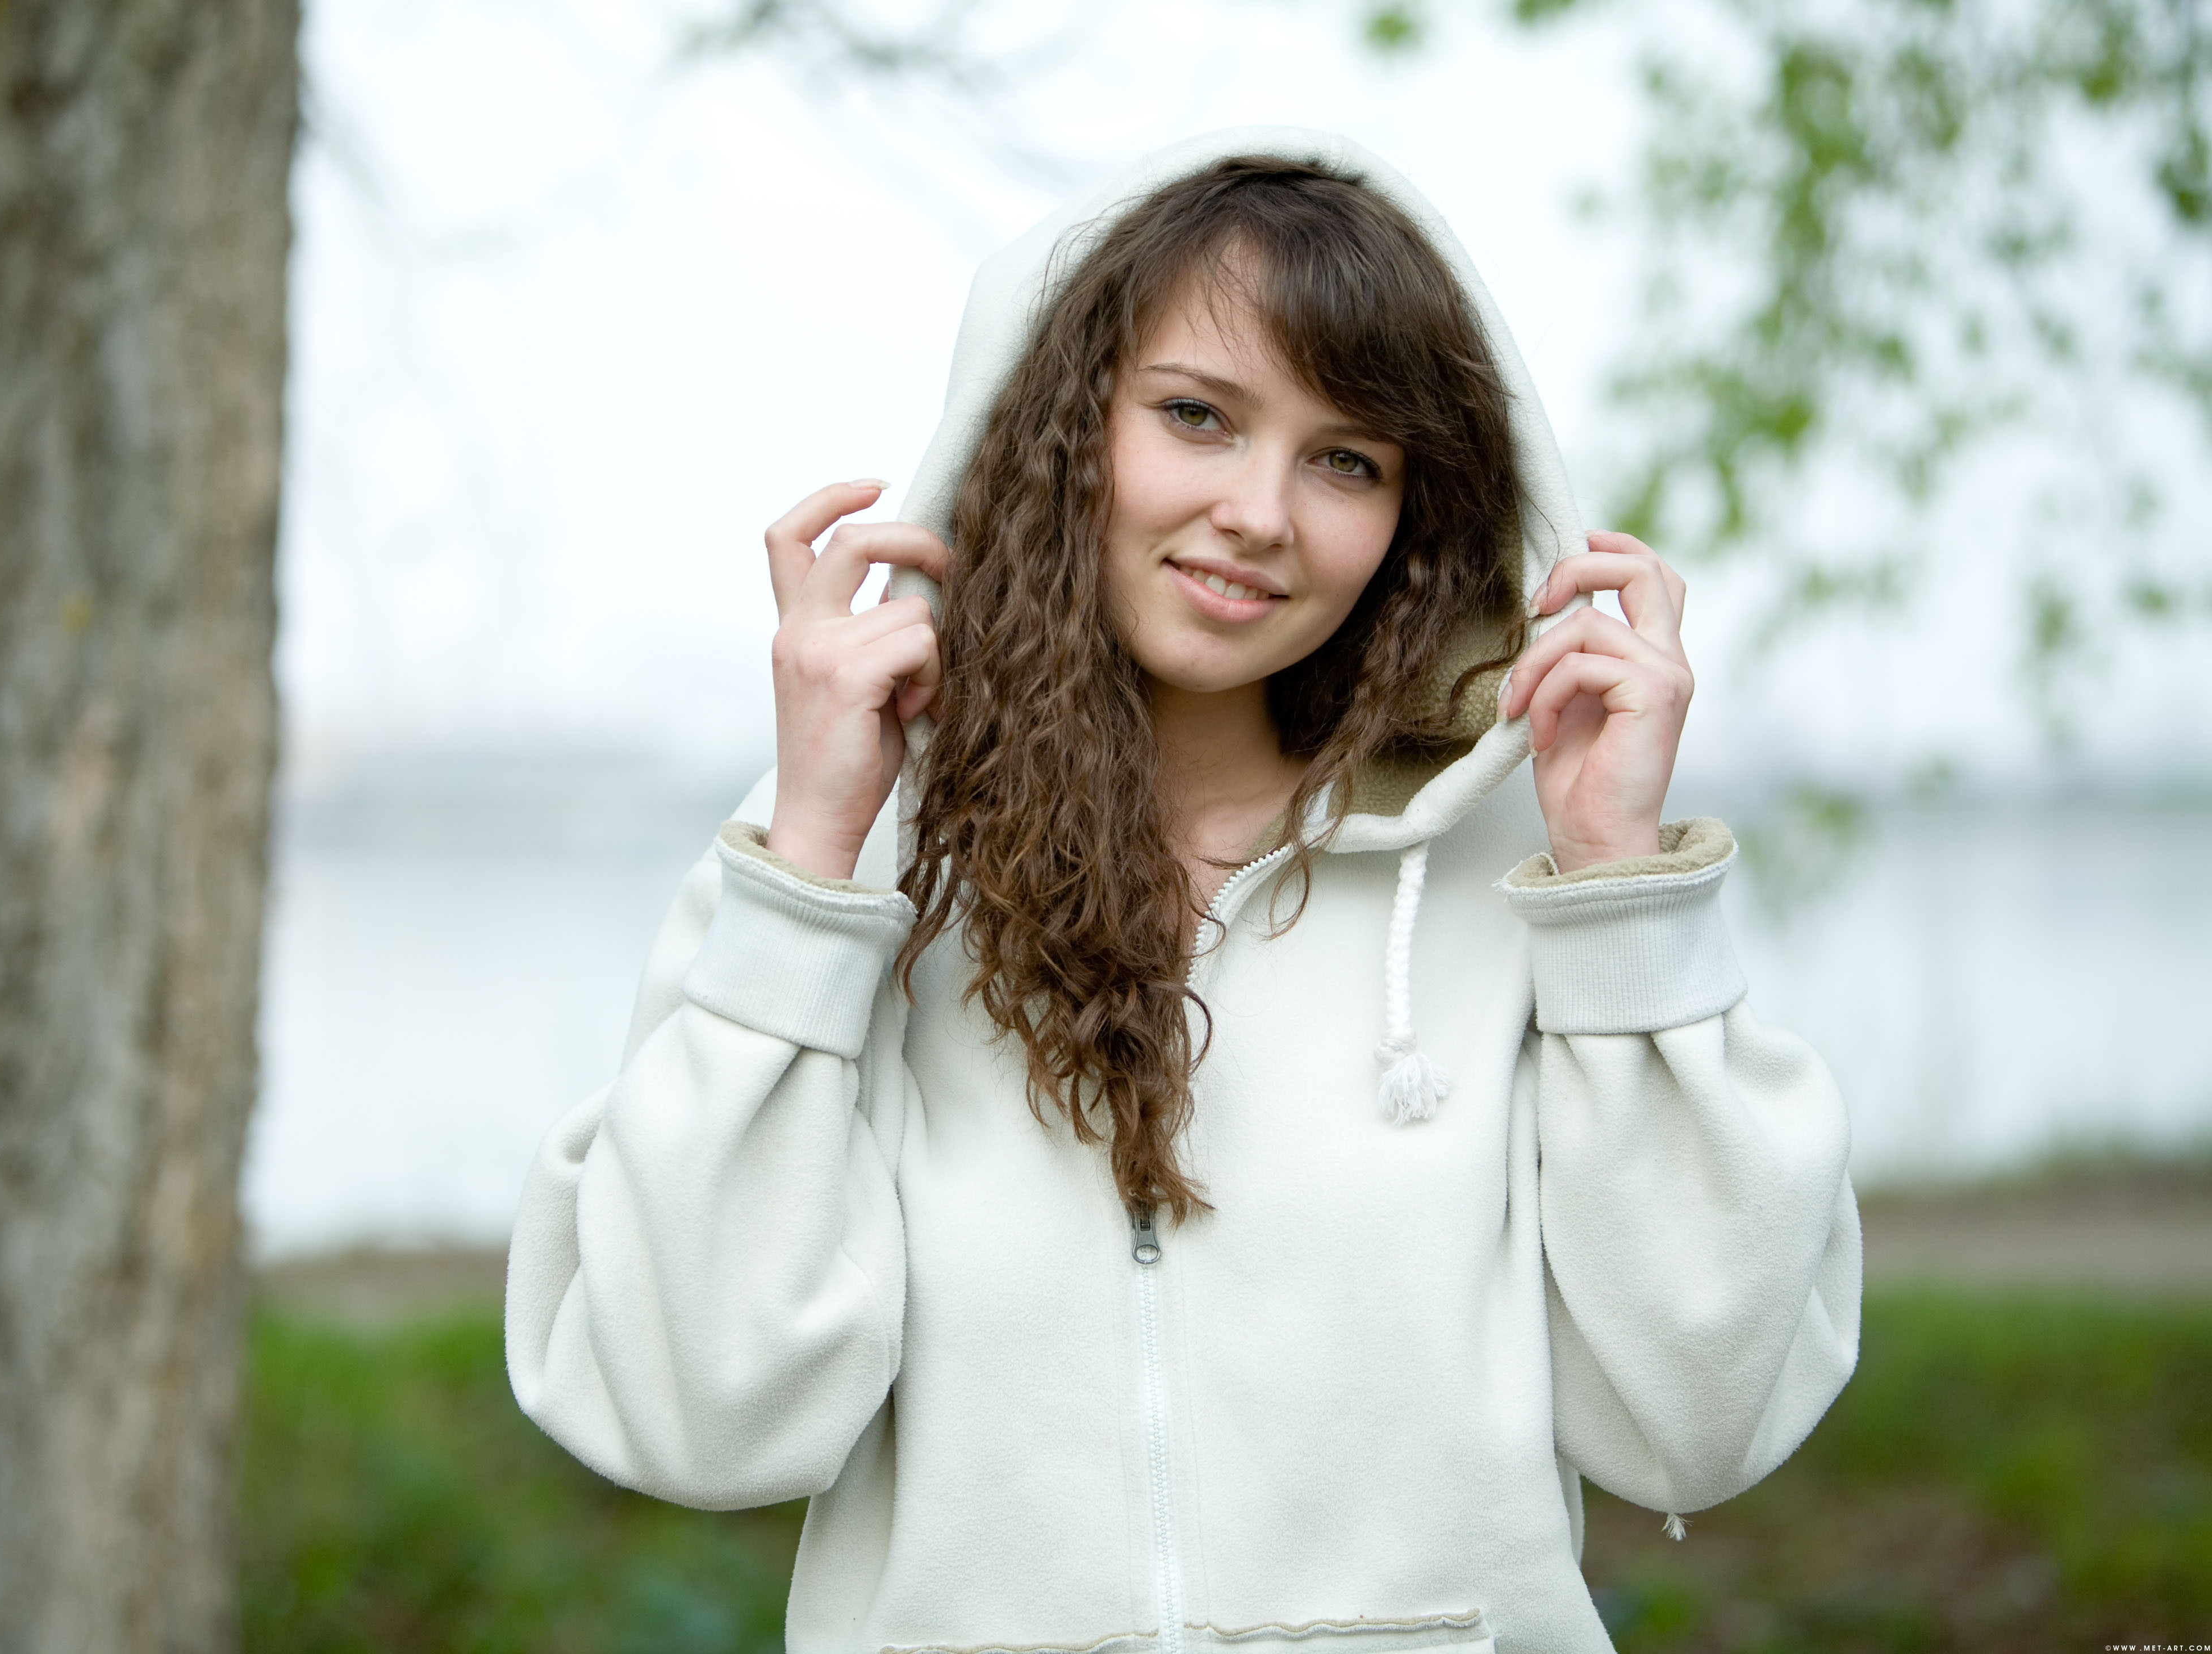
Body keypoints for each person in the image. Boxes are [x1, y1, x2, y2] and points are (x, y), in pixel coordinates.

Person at [506, 128, 1859, 1654]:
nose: (1262, 514)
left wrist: (1622, 895)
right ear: (1058, 423)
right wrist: (814, 868)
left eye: (1346, 458)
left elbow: (1706, 1418)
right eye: (1198, 417)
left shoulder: (1529, 868)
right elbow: (695, 1418)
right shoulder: (858, 855)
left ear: (1419, 519)